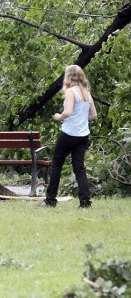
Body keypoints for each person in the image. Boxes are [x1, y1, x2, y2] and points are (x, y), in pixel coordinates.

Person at [44, 65, 98, 209]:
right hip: (83, 135)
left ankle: (50, 200)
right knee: (79, 168)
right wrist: (80, 117)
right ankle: (85, 202)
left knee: (56, 165)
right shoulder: (87, 93)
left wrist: (58, 117)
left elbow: (67, 112)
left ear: (68, 77)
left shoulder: (70, 92)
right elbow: (94, 115)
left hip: (68, 134)